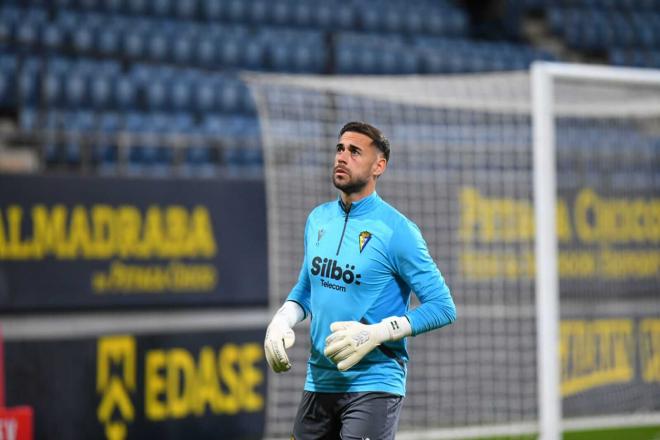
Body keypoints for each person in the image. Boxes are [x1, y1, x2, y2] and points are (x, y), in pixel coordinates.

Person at [264, 121, 457, 440]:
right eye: (339, 148)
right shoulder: (318, 219)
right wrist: (282, 319)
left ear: (379, 165)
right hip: (320, 380)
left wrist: (378, 332)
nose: (342, 156)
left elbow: (443, 307)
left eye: (355, 151)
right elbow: (306, 291)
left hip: (374, 384)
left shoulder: (397, 231)